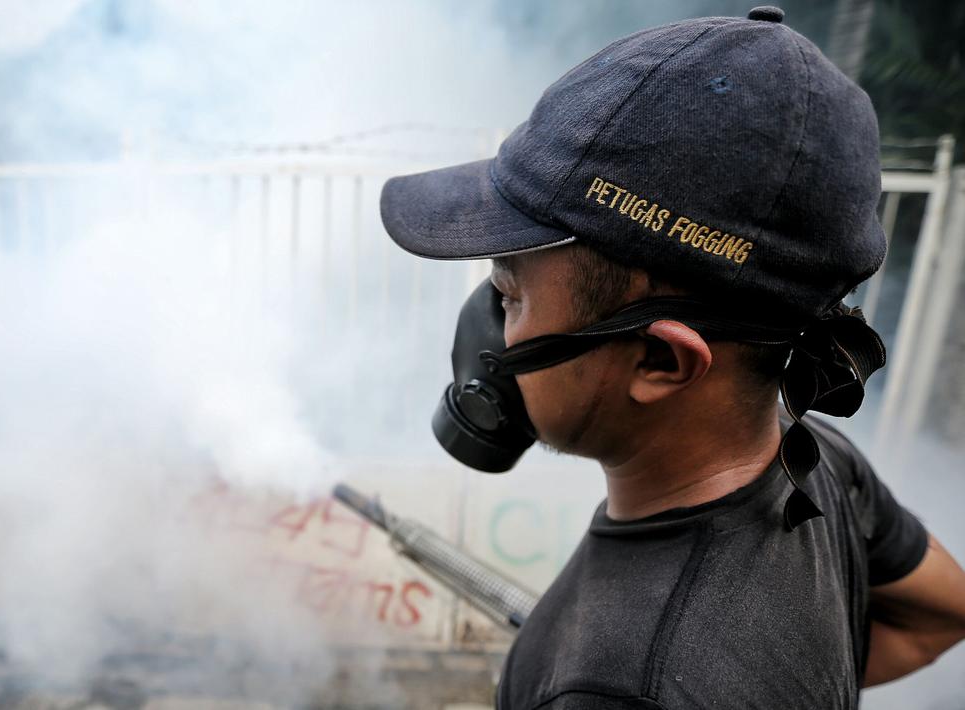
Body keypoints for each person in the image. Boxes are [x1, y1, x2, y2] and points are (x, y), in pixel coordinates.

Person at [378, 6, 965, 709]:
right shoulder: (819, 465)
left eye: (509, 295)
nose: (490, 326)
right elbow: (941, 615)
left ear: (660, 360)